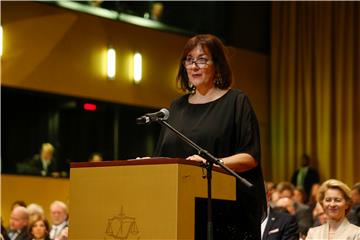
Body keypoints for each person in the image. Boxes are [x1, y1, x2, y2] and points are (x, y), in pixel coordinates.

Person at [153, 34, 267, 239]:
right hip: (181, 209)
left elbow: (250, 157)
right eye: (189, 59)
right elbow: (164, 158)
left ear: (217, 65)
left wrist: (210, 164)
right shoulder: (176, 108)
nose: (194, 65)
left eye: (202, 59)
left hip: (225, 211)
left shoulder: (236, 102)